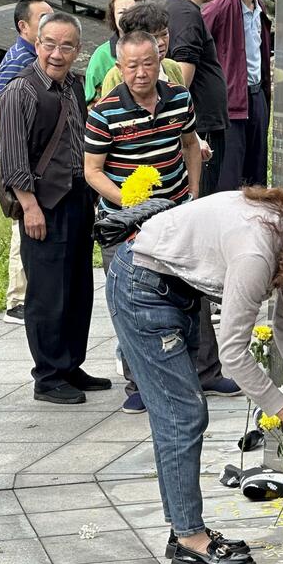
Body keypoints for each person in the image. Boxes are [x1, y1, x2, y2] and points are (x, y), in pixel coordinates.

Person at [105, 187, 283, 564]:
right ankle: (189, 540)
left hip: (171, 287)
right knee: (182, 415)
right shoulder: (256, 252)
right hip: (143, 287)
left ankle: (183, 530)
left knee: (178, 414)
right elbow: (232, 354)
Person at [85, 30, 201, 414]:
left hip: (175, 213)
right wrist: (130, 203)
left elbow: (189, 144)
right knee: (131, 302)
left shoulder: (180, 98)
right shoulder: (104, 112)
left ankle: (188, 369)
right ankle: (138, 383)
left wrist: (193, 194)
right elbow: (92, 171)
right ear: (119, 67)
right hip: (123, 223)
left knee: (182, 292)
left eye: (147, 63)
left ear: (159, 61)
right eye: (131, 66)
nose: (140, 73)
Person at [0, 12, 111, 405]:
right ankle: (47, 376)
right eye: (49, 44)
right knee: (47, 294)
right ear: (37, 44)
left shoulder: (75, 86)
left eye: (66, 46)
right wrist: (29, 207)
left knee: (77, 288)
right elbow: (13, 159)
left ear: (78, 51)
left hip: (78, 199)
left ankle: (70, 365)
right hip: (42, 206)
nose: (56, 53)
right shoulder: (21, 91)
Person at [166, 0, 240, 398]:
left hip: (200, 138)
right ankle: (201, 364)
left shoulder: (186, 11)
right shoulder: (185, 13)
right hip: (199, 140)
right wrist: (191, 141)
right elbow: (182, 81)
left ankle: (203, 362)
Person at [0, 0, 53, 326]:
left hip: (32, 159)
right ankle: (17, 300)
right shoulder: (19, 61)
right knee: (23, 226)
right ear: (23, 26)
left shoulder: (34, 55)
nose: (49, 23)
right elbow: (1, 118)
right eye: (42, 19)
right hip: (22, 161)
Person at [203, 0, 271, 191]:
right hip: (231, 101)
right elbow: (198, 44)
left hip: (256, 95)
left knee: (257, 168)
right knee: (230, 171)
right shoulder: (219, 8)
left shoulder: (260, 6)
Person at [101, 1, 183, 94]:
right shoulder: (115, 77)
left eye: (164, 34)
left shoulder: (172, 67)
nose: (161, 42)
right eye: (154, 37)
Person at [84, 0, 143, 106]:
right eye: (121, 12)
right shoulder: (102, 54)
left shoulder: (154, 47)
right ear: (113, 17)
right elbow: (90, 100)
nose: (127, 16)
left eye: (132, 11)